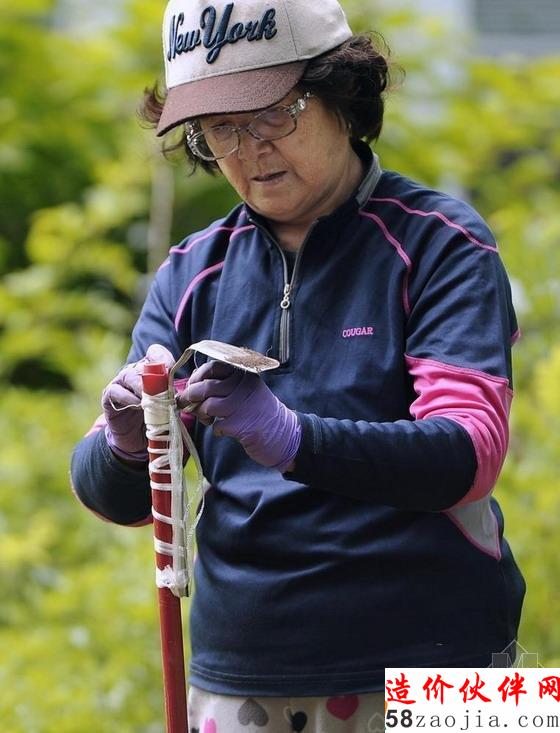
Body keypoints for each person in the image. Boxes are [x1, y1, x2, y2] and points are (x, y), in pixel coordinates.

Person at [71, 0, 526, 730]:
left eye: (272, 114)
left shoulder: (443, 242)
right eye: (220, 128)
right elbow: (116, 500)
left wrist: (292, 437)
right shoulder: (191, 271)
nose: (249, 151)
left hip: (451, 662)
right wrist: (129, 443)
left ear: (343, 94)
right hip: (241, 672)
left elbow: (470, 454)